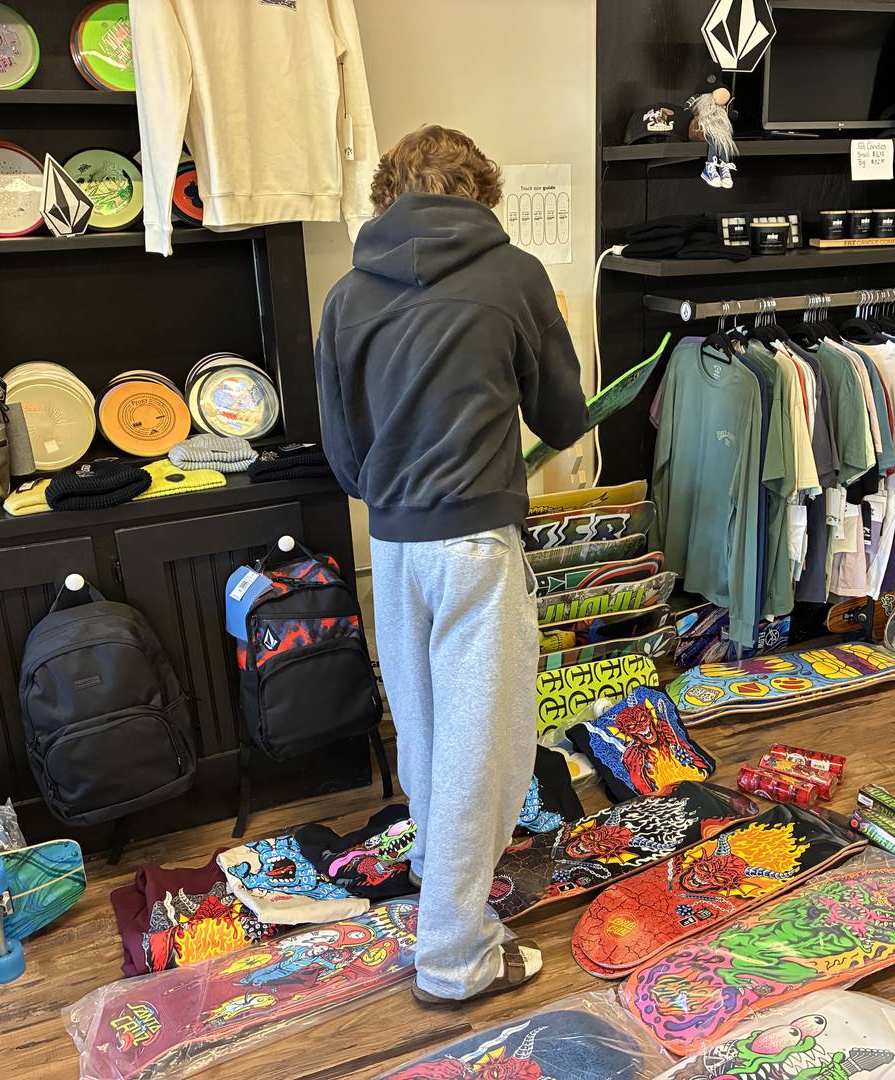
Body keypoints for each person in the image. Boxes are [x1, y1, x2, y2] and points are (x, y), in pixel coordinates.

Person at [313, 125, 588, 1004]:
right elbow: (564, 414)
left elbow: (344, 454)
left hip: (391, 545)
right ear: (482, 191)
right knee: (487, 748)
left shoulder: (347, 295)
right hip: (476, 538)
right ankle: (454, 958)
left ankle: (440, 872)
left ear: (386, 193)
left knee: (428, 732)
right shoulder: (514, 275)